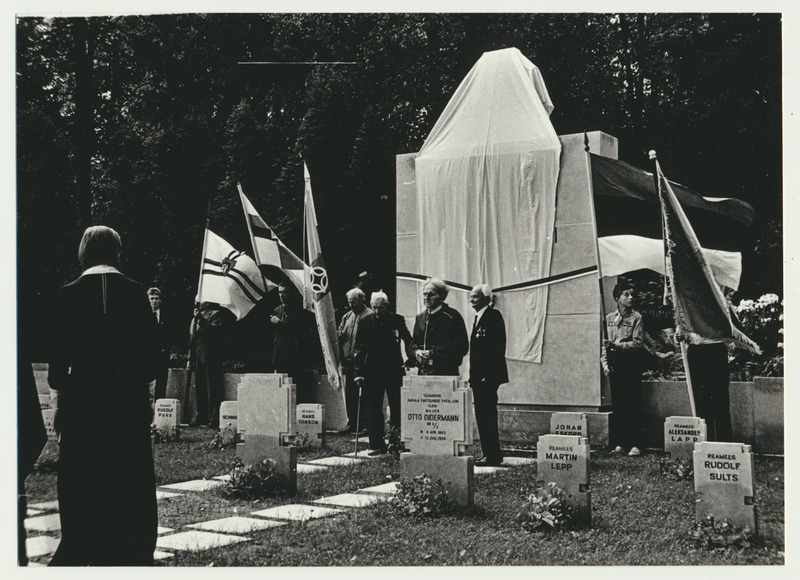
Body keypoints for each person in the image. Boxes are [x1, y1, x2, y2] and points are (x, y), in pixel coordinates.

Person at [48, 225, 158, 565]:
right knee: (128, 483)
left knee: (83, 482)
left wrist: (59, 405)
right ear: (116, 252)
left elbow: (57, 364)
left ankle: (82, 545)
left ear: (84, 252)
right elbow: (151, 357)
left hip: (83, 407)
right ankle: (129, 550)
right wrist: (147, 400)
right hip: (125, 406)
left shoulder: (67, 294)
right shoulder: (136, 292)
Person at [673, 287, 737, 442]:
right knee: (700, 399)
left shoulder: (718, 303)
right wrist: (679, 336)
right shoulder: (687, 307)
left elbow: (730, 329)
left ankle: (724, 442)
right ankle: (705, 441)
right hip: (696, 352)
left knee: (720, 399)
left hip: (715, 349)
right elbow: (681, 334)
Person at [353, 291, 413, 454]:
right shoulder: (365, 321)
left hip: (393, 369)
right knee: (373, 407)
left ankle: (396, 442)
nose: (377, 312)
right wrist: (358, 371)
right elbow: (359, 347)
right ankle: (376, 444)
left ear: (387, 306)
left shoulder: (397, 319)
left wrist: (411, 358)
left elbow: (408, 340)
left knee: (397, 406)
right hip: (372, 370)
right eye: (374, 308)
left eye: (381, 308)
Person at [602, 283, 646, 457]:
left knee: (632, 403)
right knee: (619, 404)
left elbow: (638, 343)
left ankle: (636, 443)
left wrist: (617, 346)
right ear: (617, 298)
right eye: (626, 295)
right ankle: (621, 442)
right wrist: (605, 363)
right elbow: (604, 344)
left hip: (630, 362)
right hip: (615, 363)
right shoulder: (609, 318)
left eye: (631, 294)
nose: (630, 298)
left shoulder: (636, 318)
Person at [468, 284, 508, 466]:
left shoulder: (493, 316)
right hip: (478, 377)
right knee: (482, 416)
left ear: (486, 299)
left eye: (475, 297)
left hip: (487, 378)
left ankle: (492, 454)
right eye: (471, 296)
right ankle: (489, 452)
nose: (471, 300)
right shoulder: (478, 318)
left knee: (487, 416)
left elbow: (497, 348)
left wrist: (489, 376)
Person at [409, 277, 469, 376]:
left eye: (431, 294)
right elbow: (413, 344)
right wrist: (416, 352)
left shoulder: (452, 317)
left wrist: (432, 353)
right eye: (424, 294)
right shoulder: (419, 318)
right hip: (423, 373)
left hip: (445, 373)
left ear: (442, 296)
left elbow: (462, 346)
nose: (426, 297)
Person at [270, 282, 317, 403]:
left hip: (293, 356)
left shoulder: (298, 309)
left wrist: (279, 322)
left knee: (294, 387)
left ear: (290, 293)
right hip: (279, 355)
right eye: (280, 292)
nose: (282, 295)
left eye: (284, 292)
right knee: (280, 388)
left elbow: (296, 328)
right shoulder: (277, 310)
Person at [337, 288, 372, 433]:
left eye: (354, 302)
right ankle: (352, 422)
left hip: (364, 361)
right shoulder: (347, 316)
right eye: (349, 302)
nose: (351, 305)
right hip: (349, 360)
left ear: (362, 300)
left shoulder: (369, 315)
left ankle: (365, 424)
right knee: (350, 394)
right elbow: (340, 333)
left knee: (364, 393)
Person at [189, 302, 229, 428]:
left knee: (213, 387)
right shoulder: (195, 317)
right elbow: (191, 339)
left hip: (212, 356)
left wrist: (201, 319)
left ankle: (213, 418)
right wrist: (190, 358)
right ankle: (202, 416)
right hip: (198, 356)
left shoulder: (215, 314)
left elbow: (214, 333)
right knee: (199, 388)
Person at [148, 286, 171, 401]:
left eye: (156, 298)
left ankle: (160, 412)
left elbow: (170, 334)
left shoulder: (167, 315)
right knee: (148, 385)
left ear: (160, 300)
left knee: (162, 384)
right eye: (151, 298)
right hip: (148, 356)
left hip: (162, 356)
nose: (154, 301)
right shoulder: (144, 315)